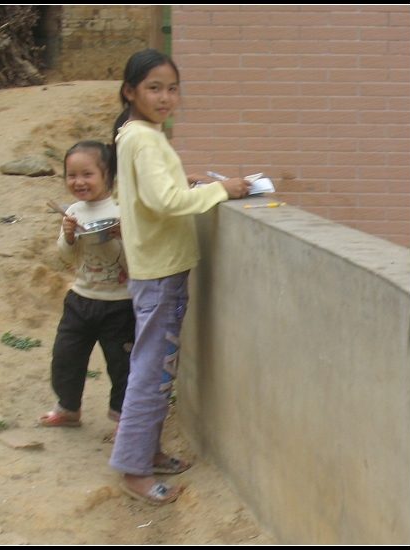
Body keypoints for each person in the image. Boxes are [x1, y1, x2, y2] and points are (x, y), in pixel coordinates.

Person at [107, 49, 251, 505]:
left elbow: (150, 190)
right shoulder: (144, 139)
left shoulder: (136, 134)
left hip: (156, 270)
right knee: (153, 371)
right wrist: (220, 189)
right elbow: (164, 202)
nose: (165, 97)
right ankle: (133, 470)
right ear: (130, 91)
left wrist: (180, 177)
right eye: (154, 88)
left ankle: (146, 453)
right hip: (161, 273)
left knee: (157, 367)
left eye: (172, 88)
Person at [38, 141, 135, 436]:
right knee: (66, 356)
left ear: (108, 175)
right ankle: (68, 408)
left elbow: (140, 258)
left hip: (120, 303)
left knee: (122, 363)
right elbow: (67, 258)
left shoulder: (123, 209)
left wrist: (126, 236)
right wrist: (69, 236)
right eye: (71, 175)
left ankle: (122, 417)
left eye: (87, 174)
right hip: (81, 298)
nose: (79, 182)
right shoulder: (73, 211)